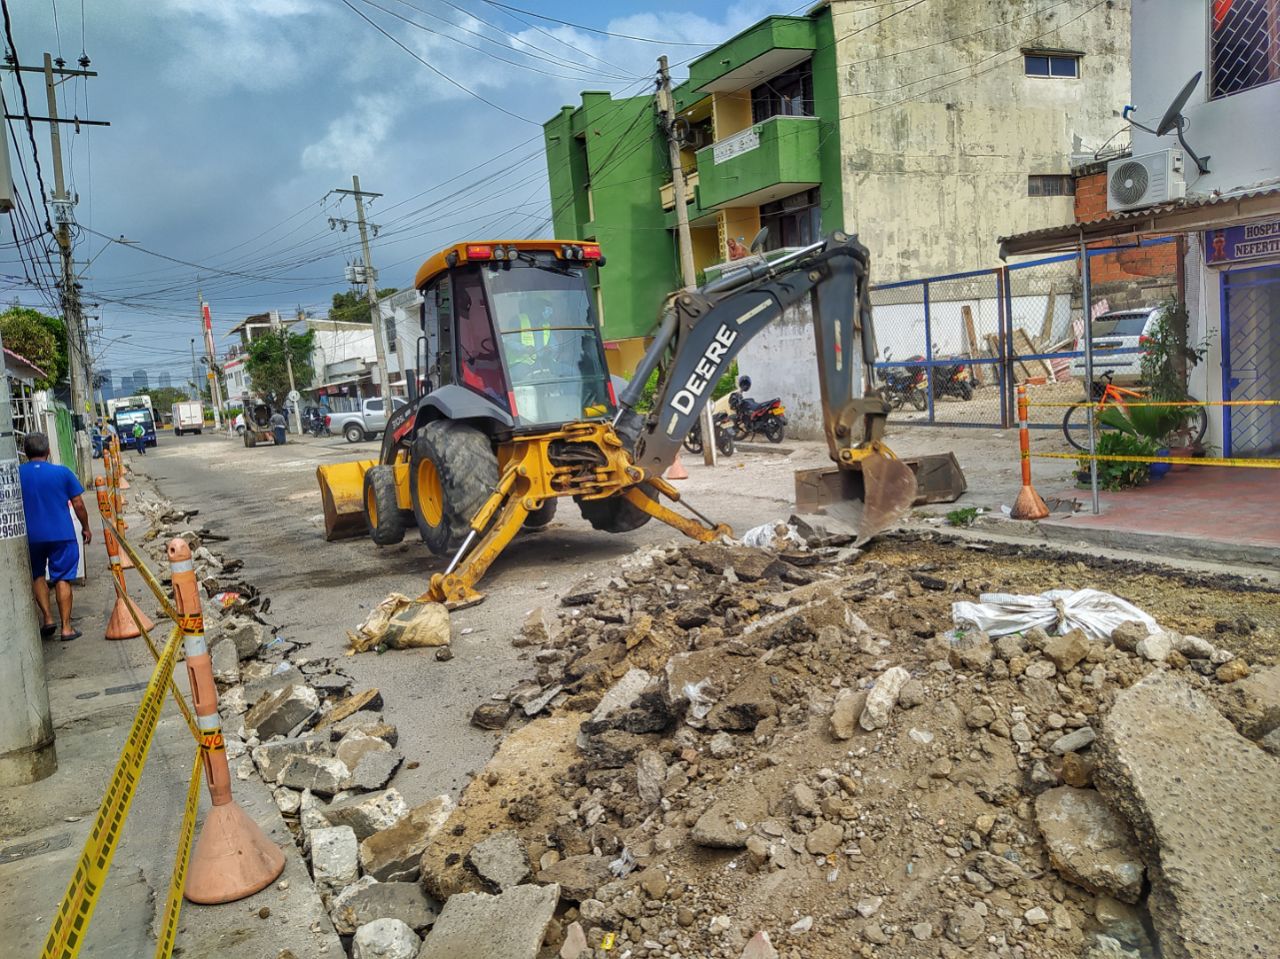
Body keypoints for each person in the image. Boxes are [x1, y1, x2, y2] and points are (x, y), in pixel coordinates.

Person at [19, 432, 91, 641]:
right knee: (63, 578)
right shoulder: (62, 473)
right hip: (62, 534)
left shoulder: (16, 474)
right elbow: (78, 504)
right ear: (49, 451)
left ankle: (48, 618)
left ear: (25, 452)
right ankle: (66, 628)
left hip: (30, 536)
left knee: (37, 575)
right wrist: (86, 527)